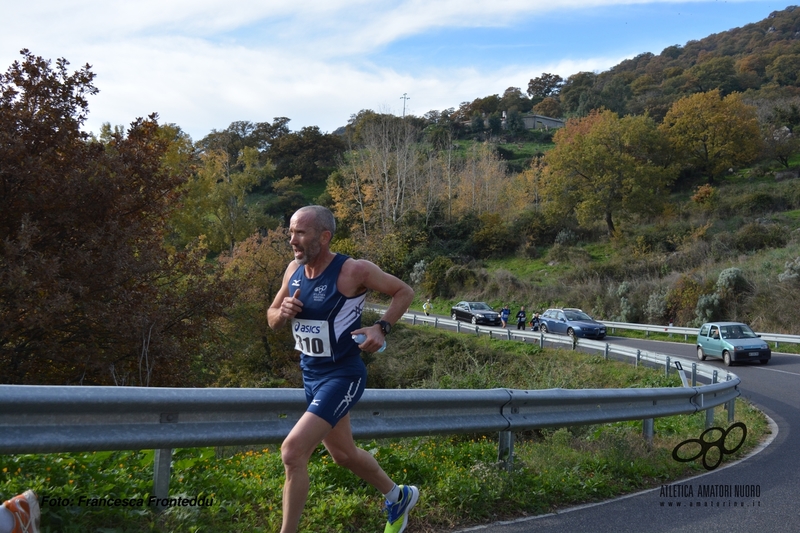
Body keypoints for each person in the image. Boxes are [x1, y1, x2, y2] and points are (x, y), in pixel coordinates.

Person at [267, 206, 418, 533]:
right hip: (311, 376)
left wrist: (381, 328)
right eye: (290, 232)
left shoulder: (353, 271)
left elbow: (403, 292)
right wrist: (283, 313)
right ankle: (398, 496)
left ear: (324, 237)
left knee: (292, 453)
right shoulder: (293, 270)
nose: (292, 240)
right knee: (344, 455)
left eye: (301, 233)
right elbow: (272, 315)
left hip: (343, 375)